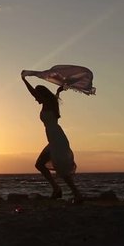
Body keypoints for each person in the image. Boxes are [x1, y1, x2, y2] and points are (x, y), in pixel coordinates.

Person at [21, 70, 83, 203]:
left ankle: (74, 194)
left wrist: (24, 80)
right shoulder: (51, 102)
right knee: (42, 165)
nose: (36, 99)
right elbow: (54, 95)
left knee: (60, 169)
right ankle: (58, 189)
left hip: (56, 138)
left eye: (37, 96)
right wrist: (59, 91)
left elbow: (33, 92)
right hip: (55, 138)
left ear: (41, 95)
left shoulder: (48, 103)